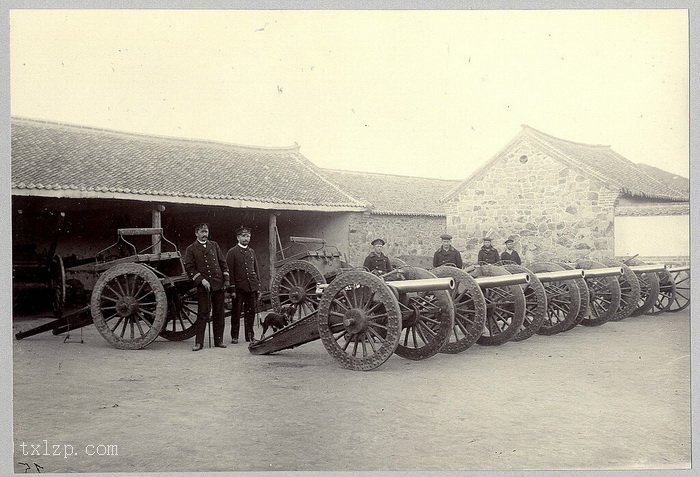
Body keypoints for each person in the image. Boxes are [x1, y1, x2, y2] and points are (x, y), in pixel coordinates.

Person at [183, 223, 230, 351]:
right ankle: (199, 343)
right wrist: (201, 280)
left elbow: (223, 263)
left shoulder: (214, 245)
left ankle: (218, 341)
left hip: (218, 283)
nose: (205, 235)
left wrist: (225, 280)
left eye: (206, 232)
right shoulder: (191, 249)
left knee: (219, 313)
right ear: (196, 233)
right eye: (202, 232)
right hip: (203, 285)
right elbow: (189, 268)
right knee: (203, 313)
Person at [226, 226, 261, 344]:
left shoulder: (252, 252)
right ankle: (234, 336)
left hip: (251, 287)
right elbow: (230, 272)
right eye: (243, 236)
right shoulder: (232, 252)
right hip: (238, 288)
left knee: (250, 313)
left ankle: (250, 336)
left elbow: (255, 269)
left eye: (248, 236)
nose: (246, 238)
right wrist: (232, 289)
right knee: (236, 312)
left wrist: (257, 286)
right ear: (238, 237)